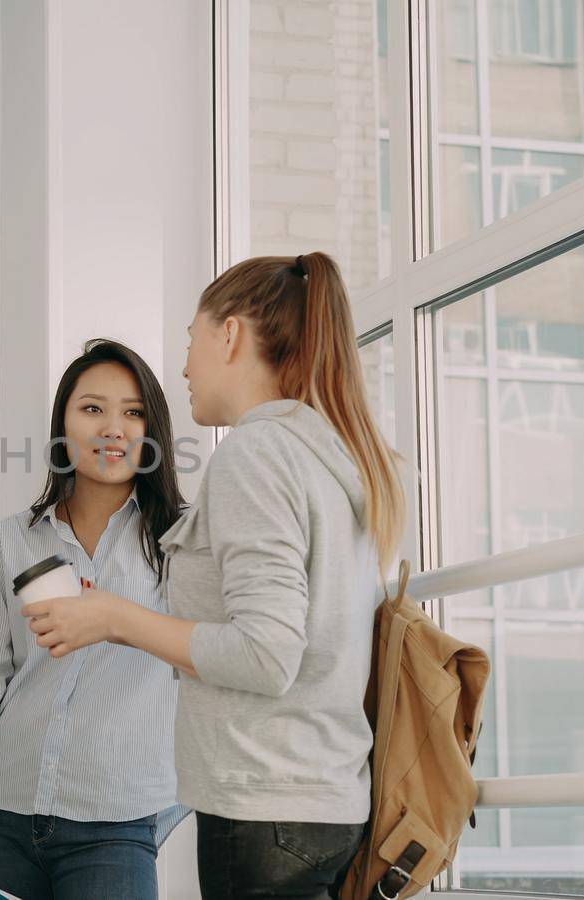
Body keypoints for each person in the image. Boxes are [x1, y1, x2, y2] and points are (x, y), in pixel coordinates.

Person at [23, 253, 404, 900]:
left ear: (229, 335)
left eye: (191, 340)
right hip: (326, 803)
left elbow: (266, 654)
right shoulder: (331, 449)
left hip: (264, 812)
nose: (184, 367)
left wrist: (115, 617)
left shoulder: (256, 454)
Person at [0, 340, 189, 900]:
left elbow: (211, 660)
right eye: (92, 409)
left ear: (153, 431)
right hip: (3, 818)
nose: (113, 428)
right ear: (62, 425)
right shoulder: (9, 542)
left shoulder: (184, 543)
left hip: (116, 826)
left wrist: (161, 805)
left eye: (133, 411)